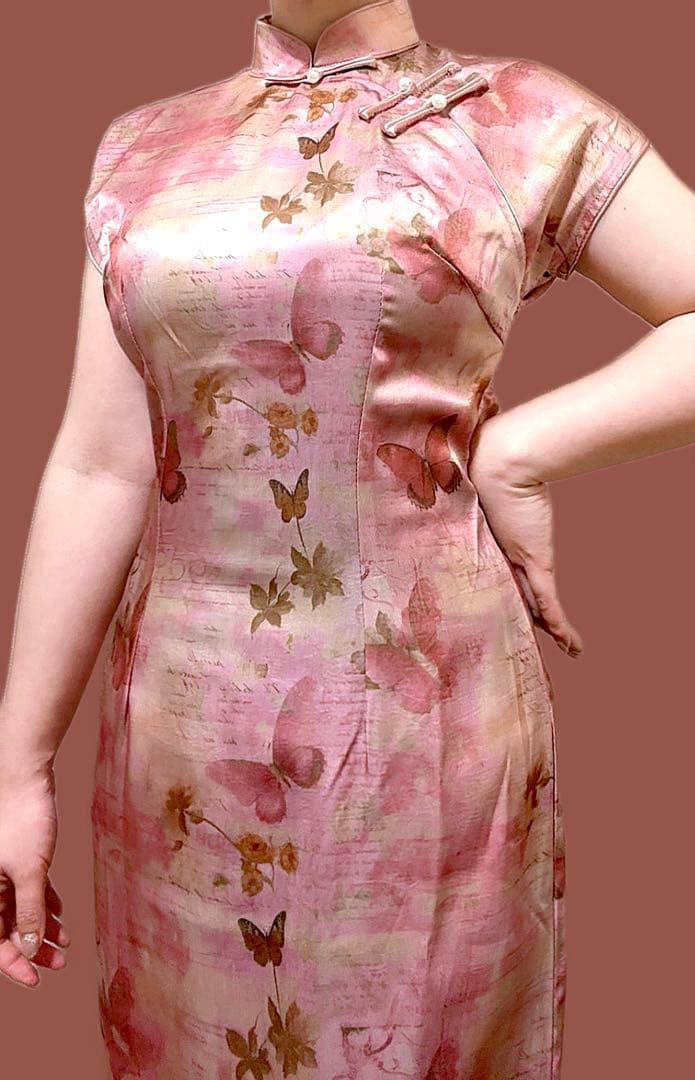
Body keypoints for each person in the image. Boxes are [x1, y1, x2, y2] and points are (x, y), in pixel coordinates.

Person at [1, 0, 693, 1075]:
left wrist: (525, 450)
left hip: (421, 725)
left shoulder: (514, 116)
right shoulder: (145, 149)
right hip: (179, 749)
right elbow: (102, 464)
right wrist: (18, 764)